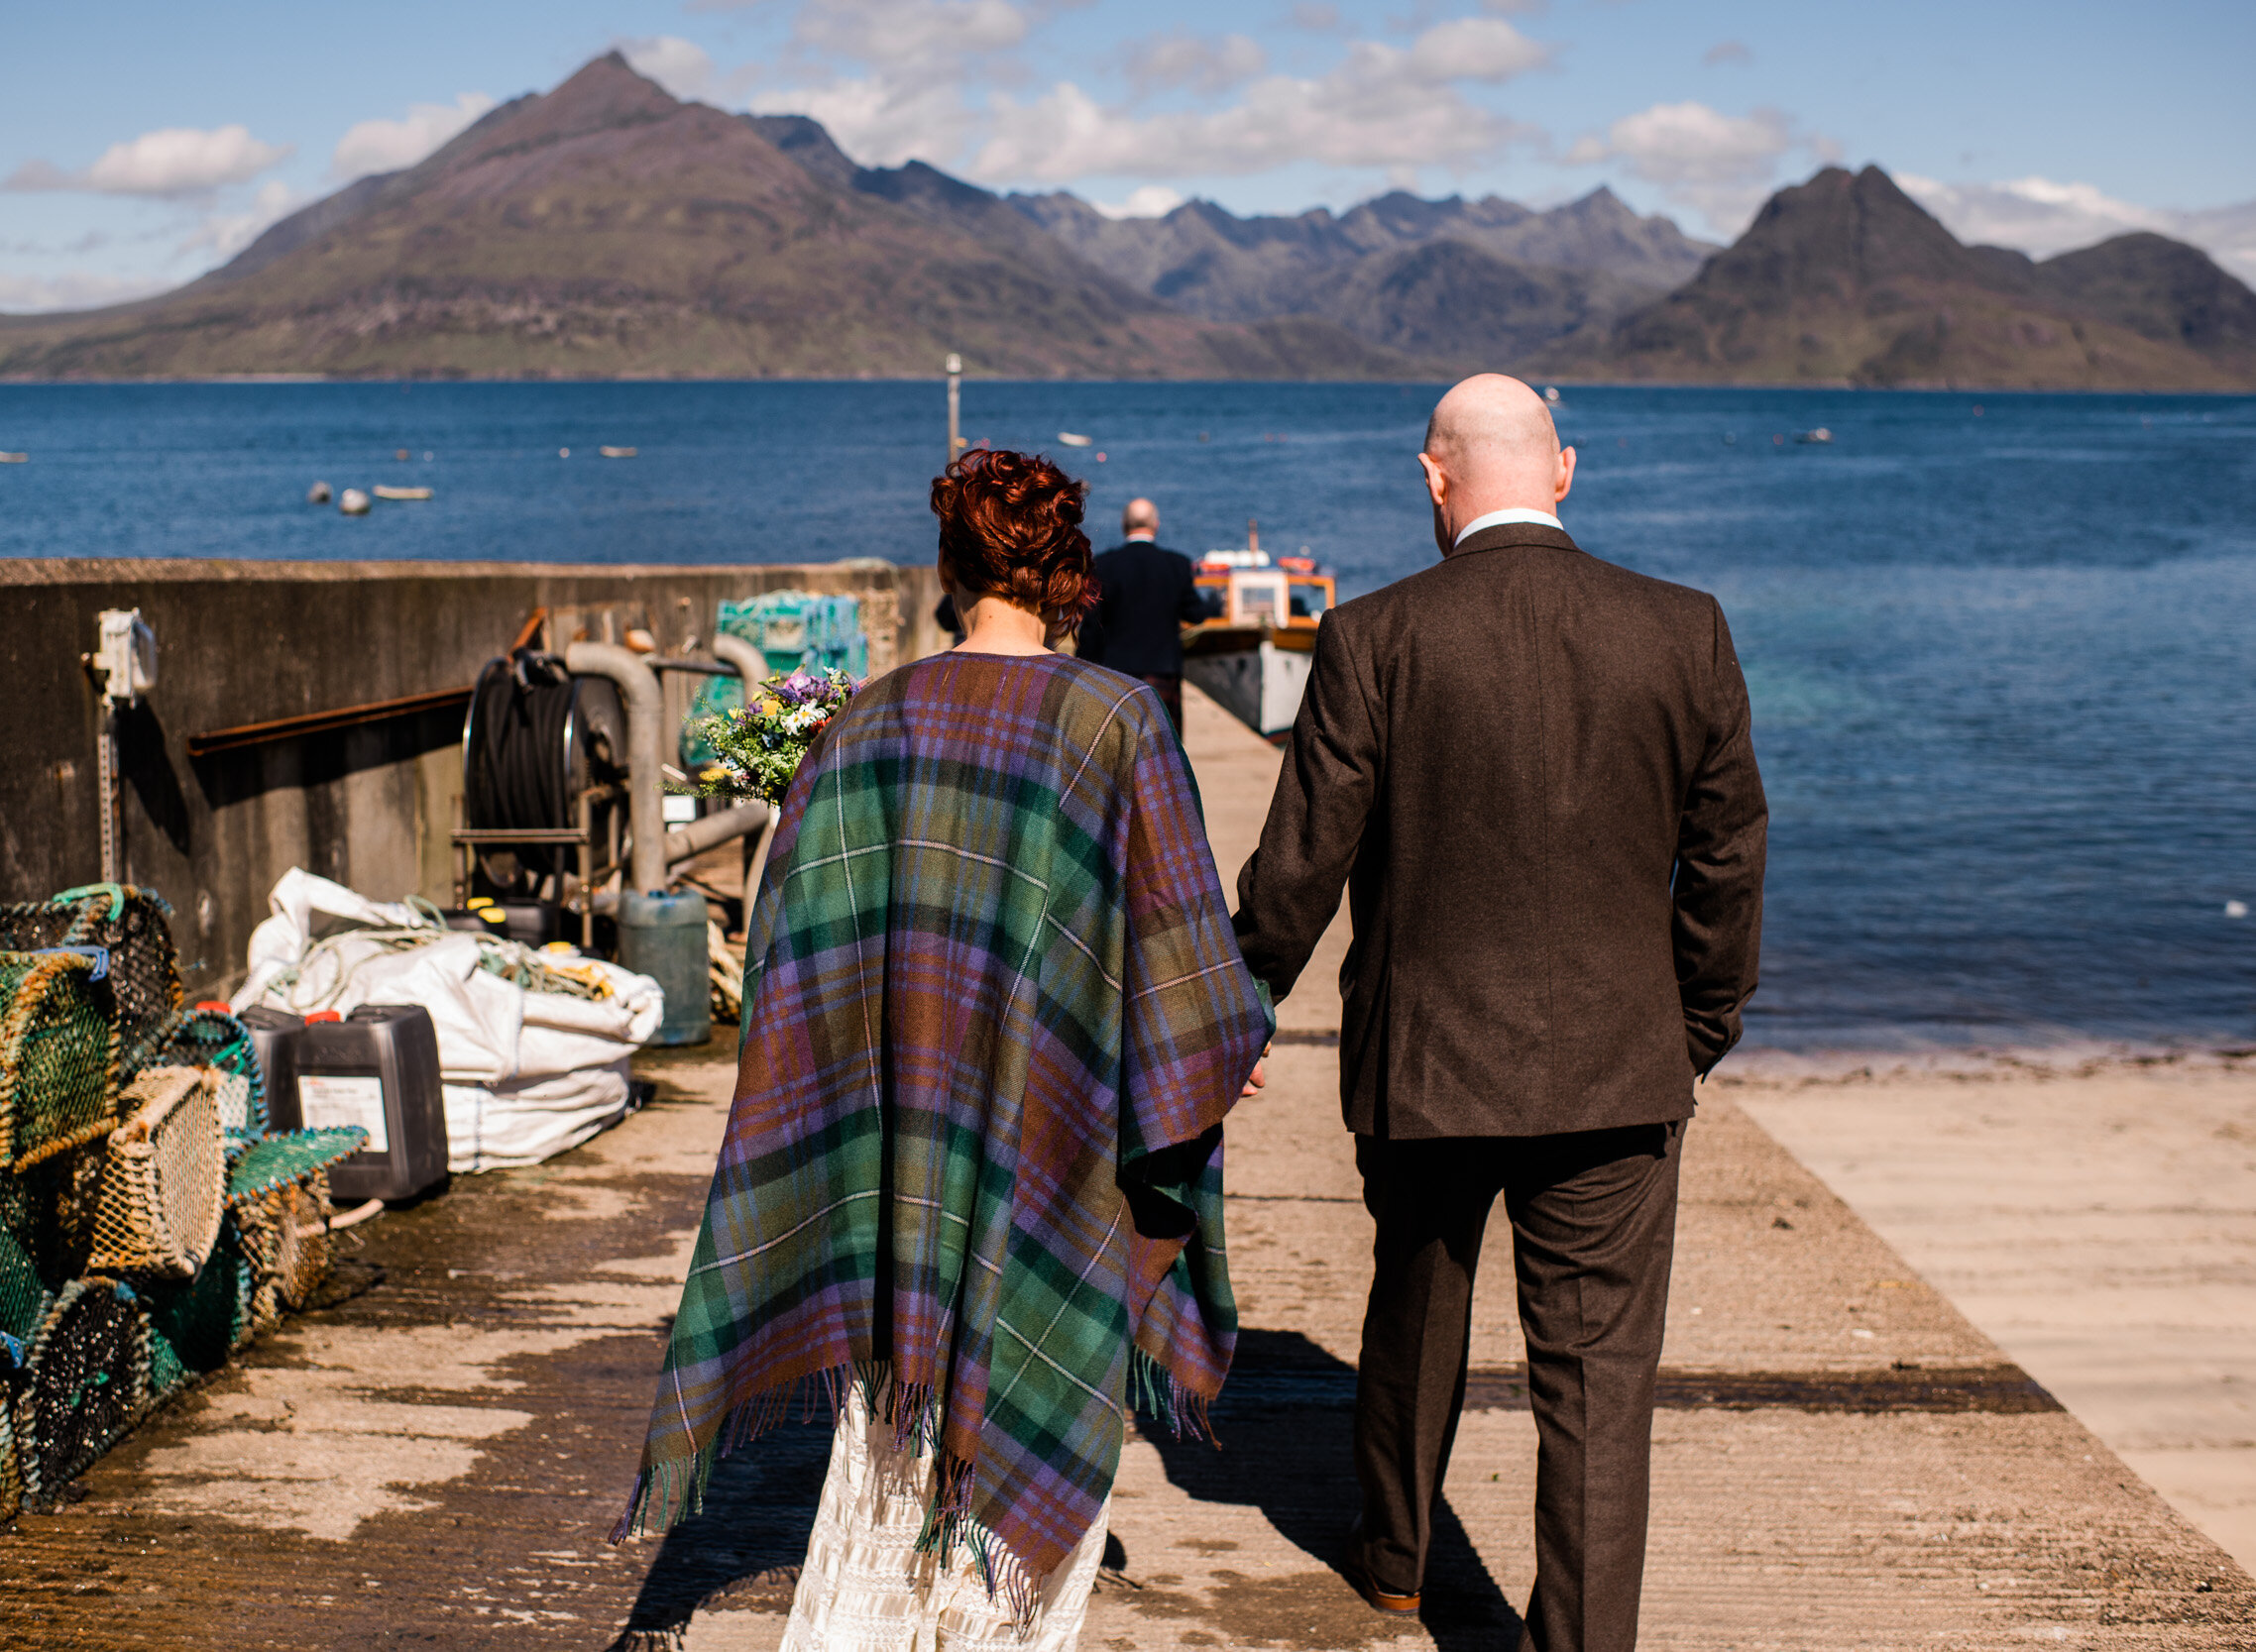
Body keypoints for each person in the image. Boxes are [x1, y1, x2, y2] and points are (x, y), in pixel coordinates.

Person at [616, 448, 1276, 1652]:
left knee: (879, 1462)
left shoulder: (864, 725)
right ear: (1068, 574)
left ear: (947, 570)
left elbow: (788, 962)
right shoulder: (1116, 720)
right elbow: (1187, 974)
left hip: (898, 1179)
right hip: (1054, 1158)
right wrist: (1212, 1043)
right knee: (1020, 1505)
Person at [1230, 375, 1766, 1652]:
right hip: (1617, 1071)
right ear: (1564, 469)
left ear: (1434, 477)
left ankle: (1399, 1558)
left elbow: (1300, 863)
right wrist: (1694, 1030)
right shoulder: (1682, 627)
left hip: (1425, 1064)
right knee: (1596, 1384)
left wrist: (1239, 996)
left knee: (1414, 1309)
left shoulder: (1371, 635)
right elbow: (1730, 857)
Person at [1074, 496, 1207, 734]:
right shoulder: (1177, 564)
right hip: (1163, 672)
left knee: (1118, 748)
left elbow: (1092, 627)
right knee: (1164, 750)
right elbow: (1196, 613)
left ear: (1124, 525)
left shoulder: (1104, 565)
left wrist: (1084, 668)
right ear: (1156, 525)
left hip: (1116, 674)